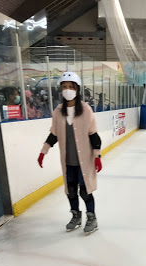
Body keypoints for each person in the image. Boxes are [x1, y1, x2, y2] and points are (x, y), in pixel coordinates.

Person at [37, 71, 102, 235]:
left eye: (71, 87)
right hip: (68, 161)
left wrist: (97, 156)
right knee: (71, 190)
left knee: (85, 190)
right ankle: (76, 216)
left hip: (84, 161)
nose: (67, 90)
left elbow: (94, 135)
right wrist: (43, 151)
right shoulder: (58, 112)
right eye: (64, 87)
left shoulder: (86, 110)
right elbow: (54, 134)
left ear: (77, 89)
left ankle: (92, 218)